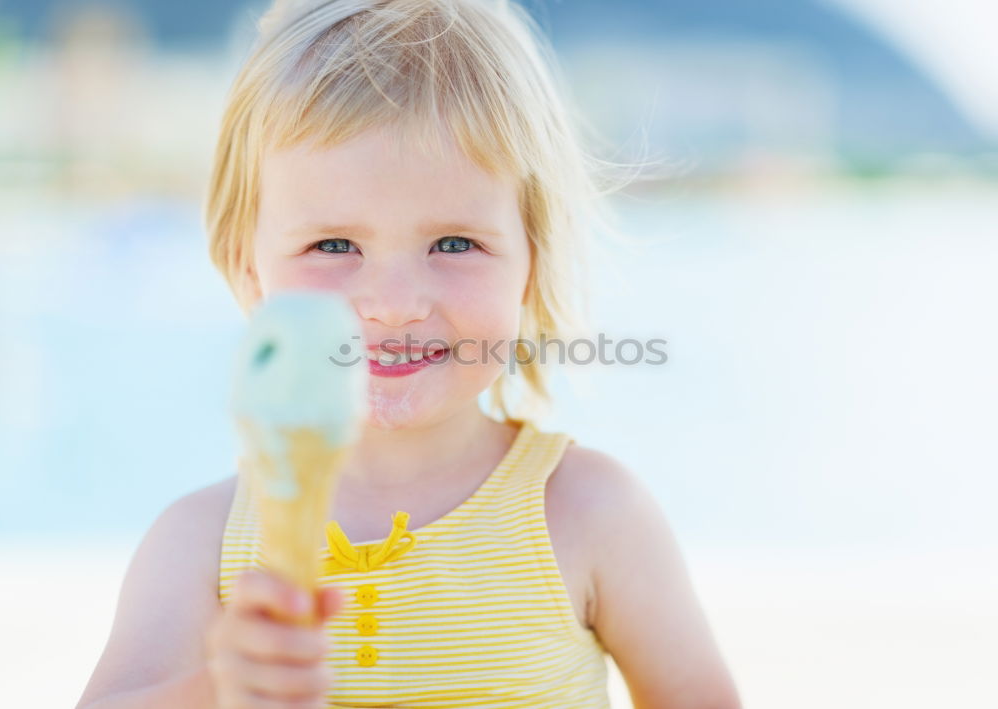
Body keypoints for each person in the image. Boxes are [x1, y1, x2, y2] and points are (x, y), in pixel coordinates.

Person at [76, 0, 740, 707]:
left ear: (532, 263)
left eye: (454, 244)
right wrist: (216, 686)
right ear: (249, 270)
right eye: (334, 246)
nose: (393, 303)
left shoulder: (587, 515)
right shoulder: (202, 546)